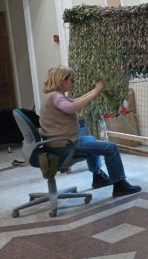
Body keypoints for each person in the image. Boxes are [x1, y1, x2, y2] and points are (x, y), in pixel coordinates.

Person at [39, 66, 142, 197]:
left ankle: (97, 176)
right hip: (64, 146)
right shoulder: (56, 97)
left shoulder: (52, 96)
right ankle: (120, 185)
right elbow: (72, 107)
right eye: (71, 80)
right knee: (111, 148)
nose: (73, 83)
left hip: (58, 144)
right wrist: (97, 90)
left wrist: (96, 91)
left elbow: (74, 101)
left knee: (90, 139)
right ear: (62, 80)